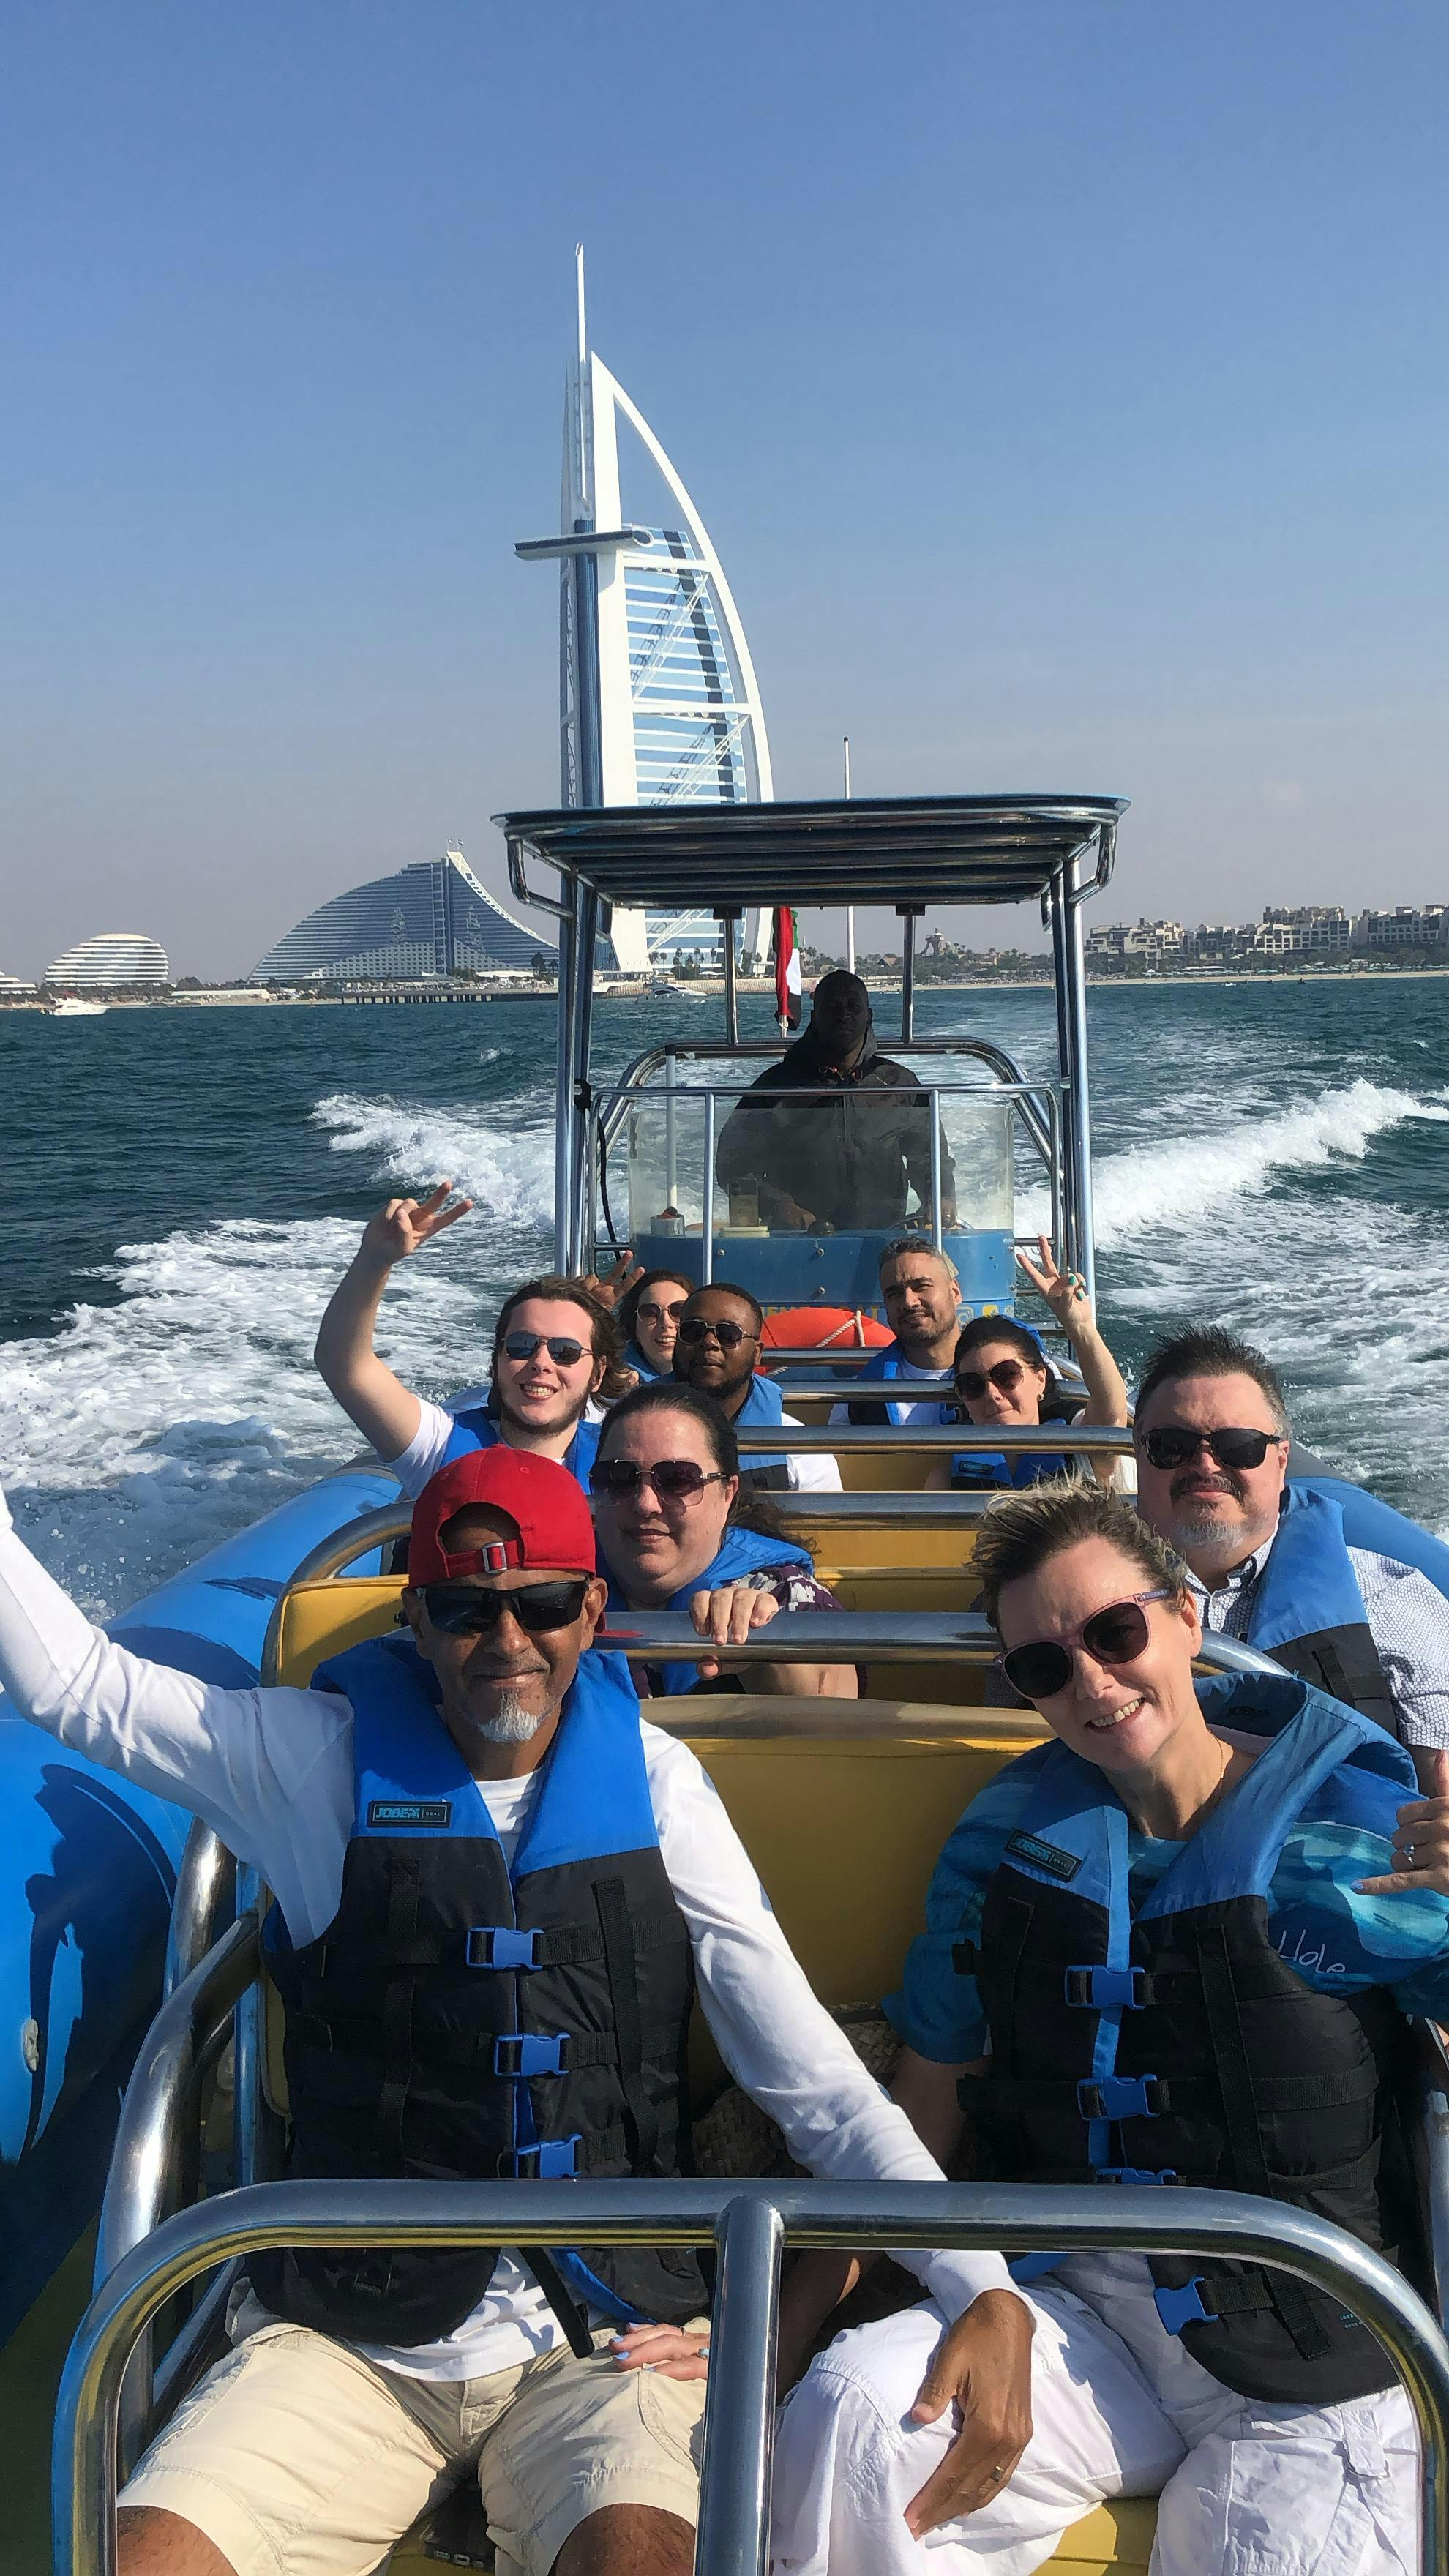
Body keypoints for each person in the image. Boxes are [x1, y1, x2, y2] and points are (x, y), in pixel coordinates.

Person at [0, 1446, 1008, 2576]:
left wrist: (986, 2284)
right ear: (415, 1621)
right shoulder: (303, 1762)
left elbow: (812, 2084)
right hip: (349, 2331)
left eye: (539, 1606)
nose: (507, 1642)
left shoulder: (663, 1788)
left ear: (591, 1609)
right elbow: (74, 1689)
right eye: (465, 1610)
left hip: (608, 2342)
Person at [768, 1479, 1449, 2576]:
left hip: (1314, 2337)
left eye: (1115, 1631)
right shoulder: (1000, 1844)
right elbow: (924, 2110)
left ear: (1185, 1618)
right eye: (1043, 1666)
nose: (1090, 1679)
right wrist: (775, 2350)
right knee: (857, 2412)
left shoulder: (1352, 1832)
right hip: (1083, 2310)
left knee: (1253, 2548)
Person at [1133, 1324, 1449, 1789]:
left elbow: (1441, 1792)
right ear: (1138, 1453)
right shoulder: (1058, 1600)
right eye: (1171, 1447)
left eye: (1238, 1446)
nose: (1204, 1465)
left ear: (1281, 1461)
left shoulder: (1387, 1600)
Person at [315, 1185, 627, 1494]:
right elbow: (343, 1364)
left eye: (566, 1351)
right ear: (496, 1362)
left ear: (598, 1374)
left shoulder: (628, 1466)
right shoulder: (437, 1448)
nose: (541, 1362)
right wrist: (373, 1260)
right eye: (521, 1346)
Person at [591, 1380, 858, 1699]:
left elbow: (834, 1710)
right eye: (619, 1479)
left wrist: (765, 1650)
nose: (645, 1503)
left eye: (677, 1479)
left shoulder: (783, 1592)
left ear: (727, 1494)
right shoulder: (557, 1585)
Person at [714, 970, 958, 1234]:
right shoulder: (776, 1087)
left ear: (869, 1016)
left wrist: (939, 1197)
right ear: (815, 1017)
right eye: (833, 1007)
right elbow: (733, 1165)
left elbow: (930, 1156)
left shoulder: (899, 1085)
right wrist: (779, 1207)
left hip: (885, 1239)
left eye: (854, 1006)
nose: (844, 1014)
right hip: (795, 1241)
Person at [926, 1239, 1130, 1492]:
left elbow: (1112, 1410)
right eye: (972, 1385)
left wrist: (1080, 1327)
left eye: (1006, 1374)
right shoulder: (946, 1476)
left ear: (1040, 1379)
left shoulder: (1079, 1450)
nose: (992, 1394)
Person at [670, 1281, 843, 1496]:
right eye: (693, 1331)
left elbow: (820, 1530)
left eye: (728, 1335)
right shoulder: (630, 1431)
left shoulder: (803, 1454)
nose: (709, 1342)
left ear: (756, 1353)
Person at [828, 1236, 962, 1429]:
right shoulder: (856, 1401)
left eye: (921, 1286)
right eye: (894, 1294)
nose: (909, 1302)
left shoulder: (1006, 1378)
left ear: (955, 1293)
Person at [615, 1267, 693, 1385]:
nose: (666, 1323)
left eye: (678, 1312)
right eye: (650, 1313)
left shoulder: (716, 1381)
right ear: (634, 1327)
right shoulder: (609, 1383)